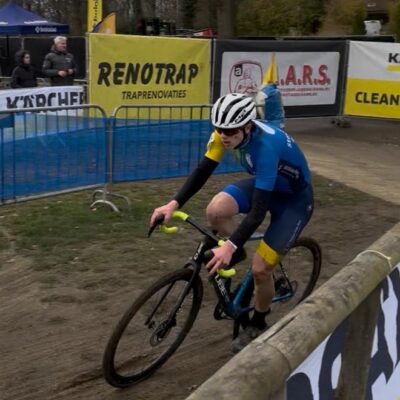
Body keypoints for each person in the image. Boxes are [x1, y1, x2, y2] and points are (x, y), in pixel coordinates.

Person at [150, 93, 314, 353]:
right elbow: (203, 170)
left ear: (247, 126)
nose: (223, 136)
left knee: (261, 270)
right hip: (267, 186)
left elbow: (257, 213)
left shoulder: (266, 148)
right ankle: (236, 255)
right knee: (215, 211)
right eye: (218, 129)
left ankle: (258, 323)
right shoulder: (224, 134)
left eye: (229, 131)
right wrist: (173, 204)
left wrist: (230, 245)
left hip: (294, 201)